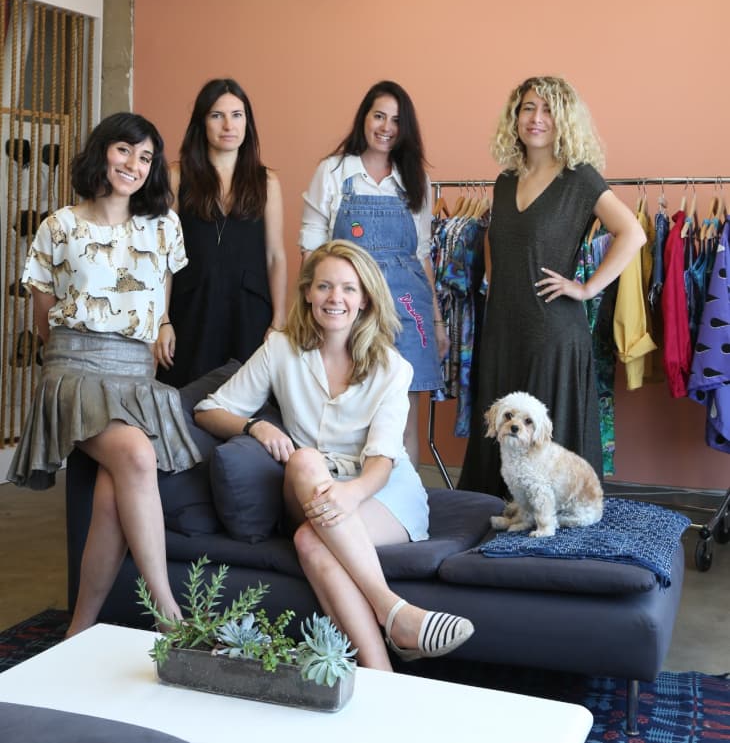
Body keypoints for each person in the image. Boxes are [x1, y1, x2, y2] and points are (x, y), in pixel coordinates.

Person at [194, 240, 473, 668]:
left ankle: (379, 674)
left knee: (311, 541)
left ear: (364, 300)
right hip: (310, 486)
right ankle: (393, 611)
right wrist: (257, 425)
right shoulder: (280, 349)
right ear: (307, 292)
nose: (335, 298)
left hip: (382, 490)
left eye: (348, 288)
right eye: (324, 286)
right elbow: (208, 409)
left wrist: (353, 493)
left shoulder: (391, 367)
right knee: (305, 460)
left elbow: (383, 459)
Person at [6, 112, 202, 637]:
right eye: (124, 150)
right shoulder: (59, 226)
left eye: (145, 158)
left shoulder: (164, 225)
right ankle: (169, 613)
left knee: (114, 493)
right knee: (136, 455)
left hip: (135, 377)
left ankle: (78, 631)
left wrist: (162, 322)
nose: (133, 165)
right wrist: (84, 356)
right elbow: (43, 316)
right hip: (75, 371)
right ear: (102, 152)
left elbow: (162, 290)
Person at [459, 76, 646, 496]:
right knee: (501, 435)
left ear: (562, 119)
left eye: (546, 110)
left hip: (552, 332)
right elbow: (499, 241)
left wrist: (586, 288)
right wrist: (495, 279)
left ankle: (553, 538)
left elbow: (632, 233)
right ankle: (494, 528)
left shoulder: (580, 179)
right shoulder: (505, 180)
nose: (536, 118)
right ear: (516, 116)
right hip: (503, 331)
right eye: (528, 108)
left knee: (547, 446)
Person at [299, 81, 448, 467]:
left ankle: (407, 506)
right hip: (349, 306)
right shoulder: (332, 172)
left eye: (396, 120)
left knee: (403, 419)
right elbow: (312, 254)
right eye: (379, 116)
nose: (386, 127)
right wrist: (305, 312)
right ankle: (354, 499)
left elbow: (421, 256)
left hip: (408, 309)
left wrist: (435, 321)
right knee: (353, 413)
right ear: (364, 118)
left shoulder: (415, 179)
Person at [156, 78, 287, 387]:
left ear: (248, 122)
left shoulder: (266, 181)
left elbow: (275, 256)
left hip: (249, 312)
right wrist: (162, 320)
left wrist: (279, 321)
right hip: (191, 309)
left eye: (237, 115)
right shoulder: (176, 177)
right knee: (184, 401)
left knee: (245, 403)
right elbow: (162, 257)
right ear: (202, 122)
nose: (228, 124)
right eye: (217, 115)